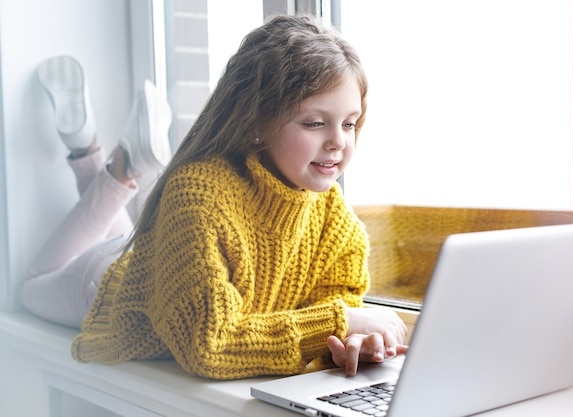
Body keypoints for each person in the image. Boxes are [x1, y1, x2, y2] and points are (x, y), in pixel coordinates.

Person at [21, 14, 408, 381]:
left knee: (131, 236)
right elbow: (208, 344)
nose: (339, 142)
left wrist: (352, 341)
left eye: (349, 123)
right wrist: (341, 322)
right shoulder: (197, 194)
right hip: (109, 283)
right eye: (314, 123)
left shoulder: (333, 220)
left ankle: (112, 158)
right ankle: (110, 160)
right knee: (30, 286)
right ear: (257, 122)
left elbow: (332, 311)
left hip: (168, 252)